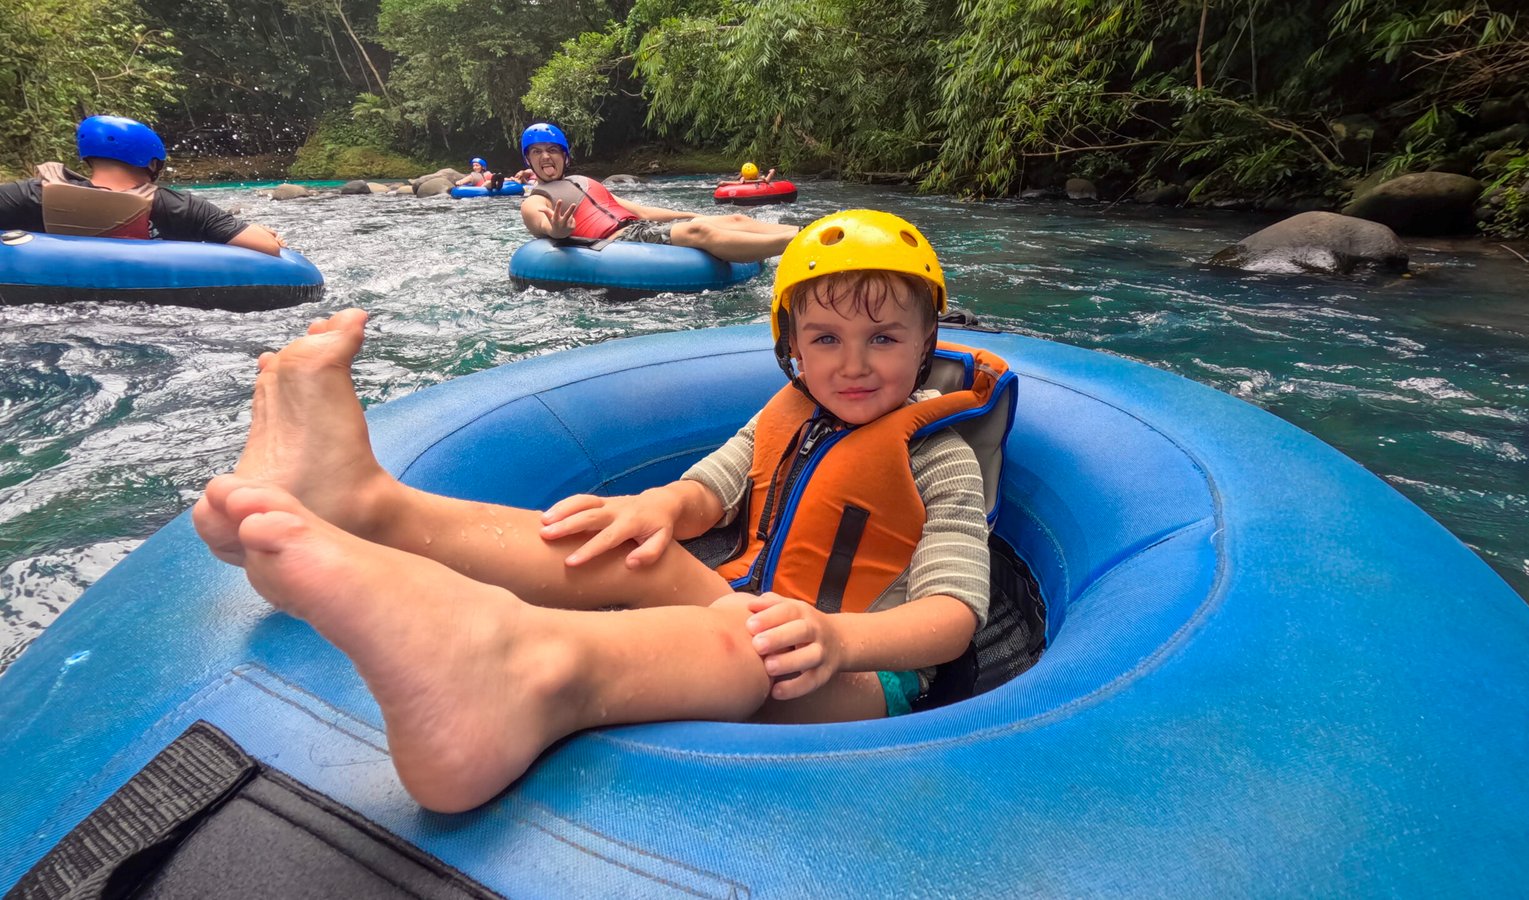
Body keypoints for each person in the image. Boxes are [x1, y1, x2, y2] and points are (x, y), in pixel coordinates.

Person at [192, 210, 1008, 813]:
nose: (853, 365)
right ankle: (366, 509)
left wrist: (838, 640)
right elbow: (708, 491)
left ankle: (527, 671)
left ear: (929, 336)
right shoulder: (786, 412)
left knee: (742, 640)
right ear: (791, 344)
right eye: (825, 340)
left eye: (885, 340)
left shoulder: (940, 459)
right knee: (624, 545)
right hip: (755, 605)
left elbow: (953, 615)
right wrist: (654, 508)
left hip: (861, 676)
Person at [0, 116, 285, 255]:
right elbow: (267, 248)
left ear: (88, 157)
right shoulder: (177, 206)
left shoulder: (30, 194)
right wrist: (263, 232)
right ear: (152, 163)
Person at [517, 122, 796, 263]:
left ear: (564, 157)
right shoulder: (537, 199)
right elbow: (542, 223)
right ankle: (797, 245)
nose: (545, 157)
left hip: (637, 227)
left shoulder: (583, 181)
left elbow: (640, 212)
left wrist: (692, 214)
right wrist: (558, 230)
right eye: (537, 152)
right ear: (529, 161)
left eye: (552, 150)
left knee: (734, 220)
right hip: (617, 241)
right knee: (699, 233)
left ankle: (807, 230)